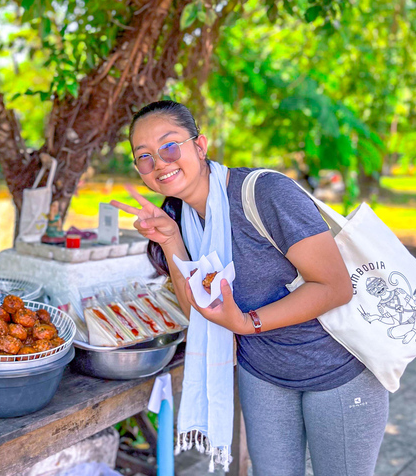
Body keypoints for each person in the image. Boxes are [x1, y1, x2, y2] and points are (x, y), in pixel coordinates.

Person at [111, 101, 388, 475]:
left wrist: (246, 323)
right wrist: (171, 240)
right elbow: (199, 311)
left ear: (200, 145)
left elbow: (335, 287)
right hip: (264, 377)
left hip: (336, 373)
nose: (159, 162)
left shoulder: (264, 193)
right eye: (143, 155)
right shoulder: (182, 218)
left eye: (170, 146)